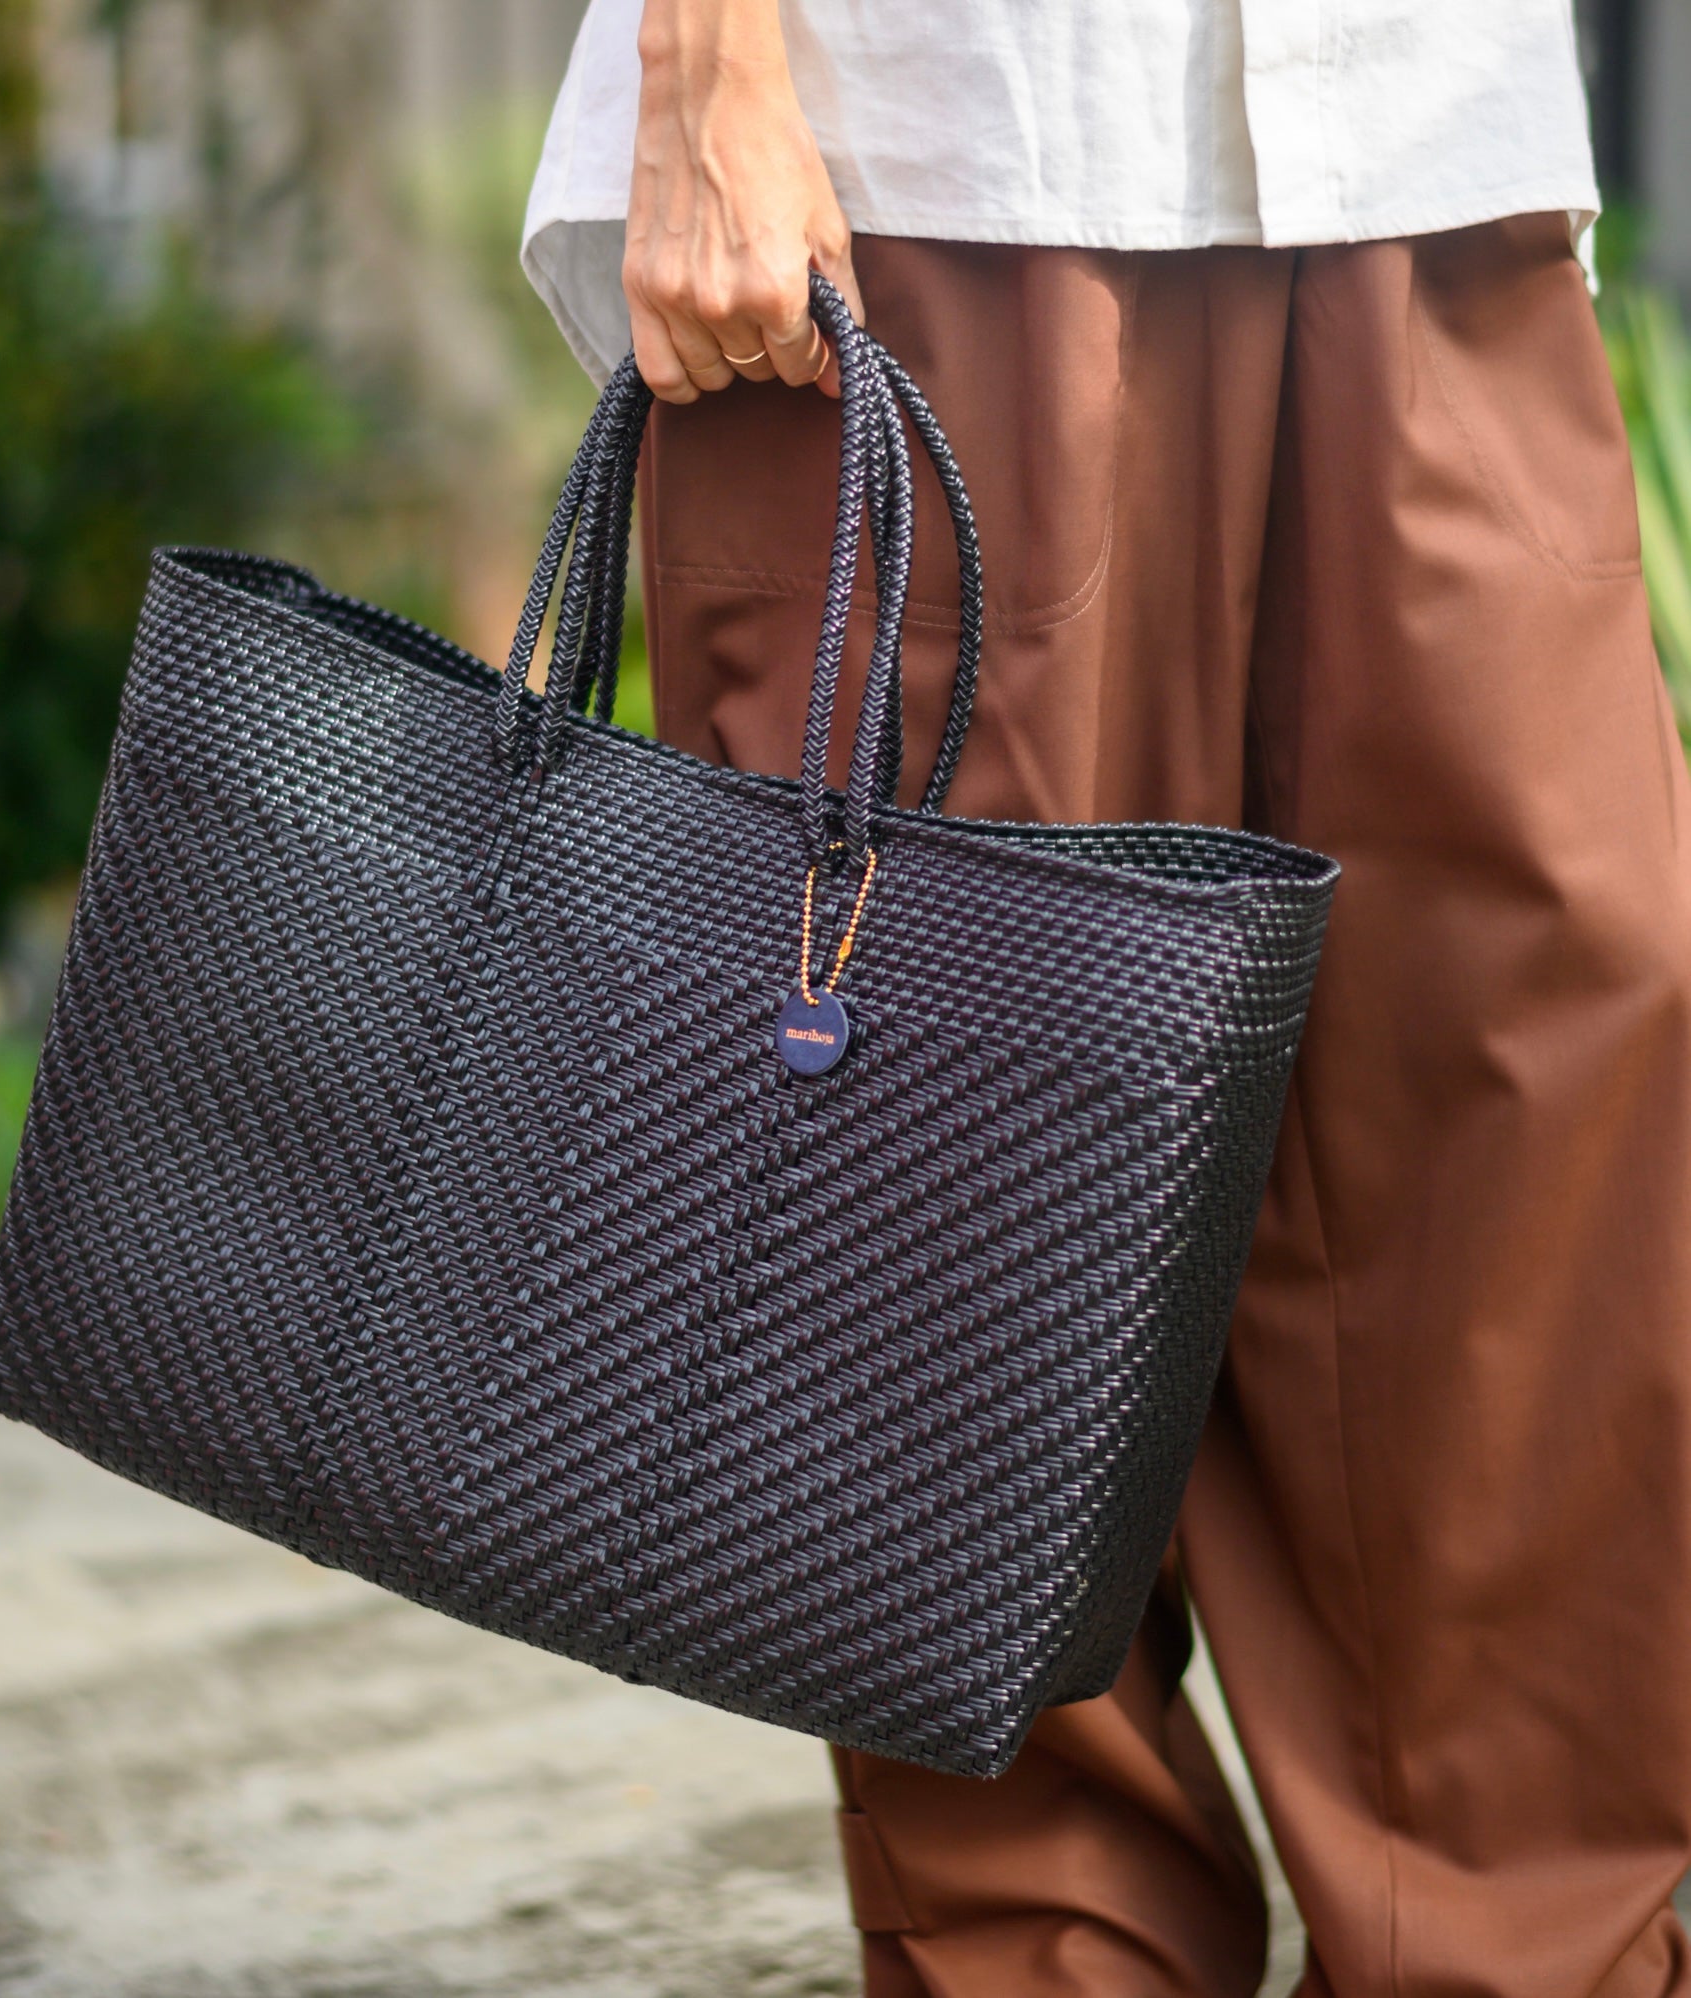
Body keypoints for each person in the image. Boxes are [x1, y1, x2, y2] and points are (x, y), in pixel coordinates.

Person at [523, 3, 1691, 1993]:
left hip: (1424, 134)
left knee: (1539, 1083)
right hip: (945, 153)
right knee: (952, 1228)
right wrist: (703, 60)